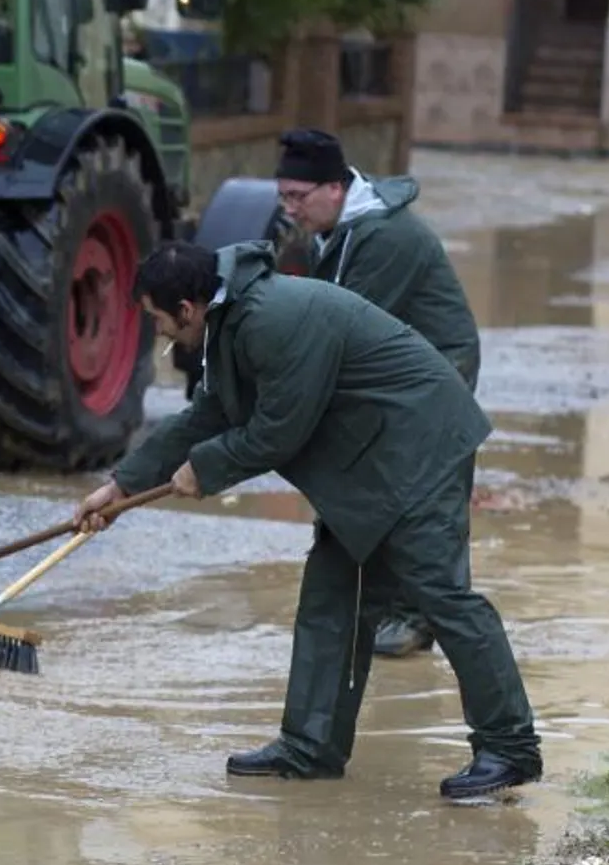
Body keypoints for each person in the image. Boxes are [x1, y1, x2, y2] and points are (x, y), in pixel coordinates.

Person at [75, 239, 541, 799]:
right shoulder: (232, 319)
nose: (162, 335)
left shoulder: (273, 319)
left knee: (441, 596)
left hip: (420, 448)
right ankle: (311, 747)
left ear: (187, 309)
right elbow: (213, 410)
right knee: (330, 599)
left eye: (159, 321)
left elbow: (279, 430)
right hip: (366, 461)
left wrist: (205, 469)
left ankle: (510, 749)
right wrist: (121, 484)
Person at [274, 128, 482, 659]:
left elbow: (341, 327)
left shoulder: (386, 238)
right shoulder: (339, 229)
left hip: (437, 370)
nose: (289, 209)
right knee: (375, 480)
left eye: (298, 197)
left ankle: (418, 619)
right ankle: (386, 605)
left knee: (426, 493)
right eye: (283, 196)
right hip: (392, 365)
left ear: (335, 189)